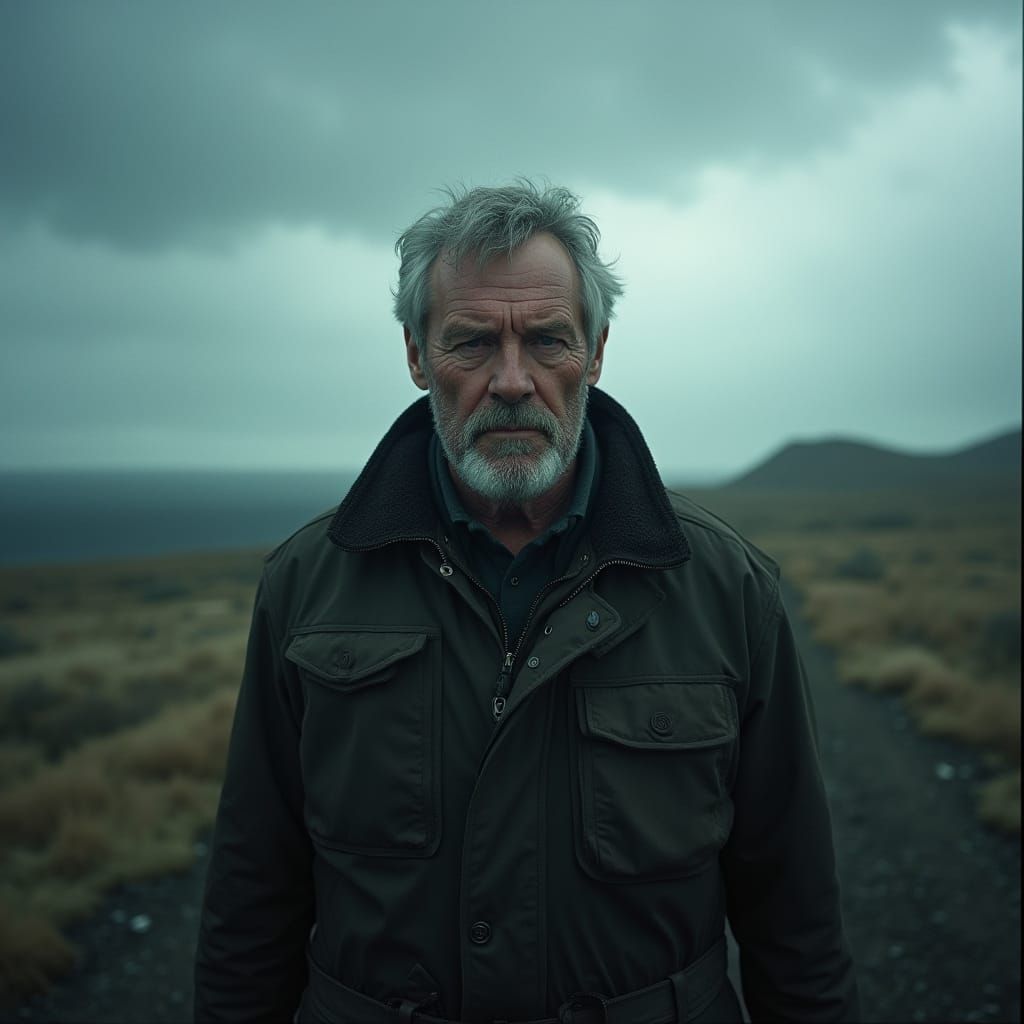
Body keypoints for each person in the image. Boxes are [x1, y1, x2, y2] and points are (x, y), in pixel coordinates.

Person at [194, 181, 860, 1023]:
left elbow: (796, 915)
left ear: (597, 351)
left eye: (547, 340)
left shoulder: (726, 586)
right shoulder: (306, 584)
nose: (512, 381)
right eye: (472, 343)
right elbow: (252, 896)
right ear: (416, 355)